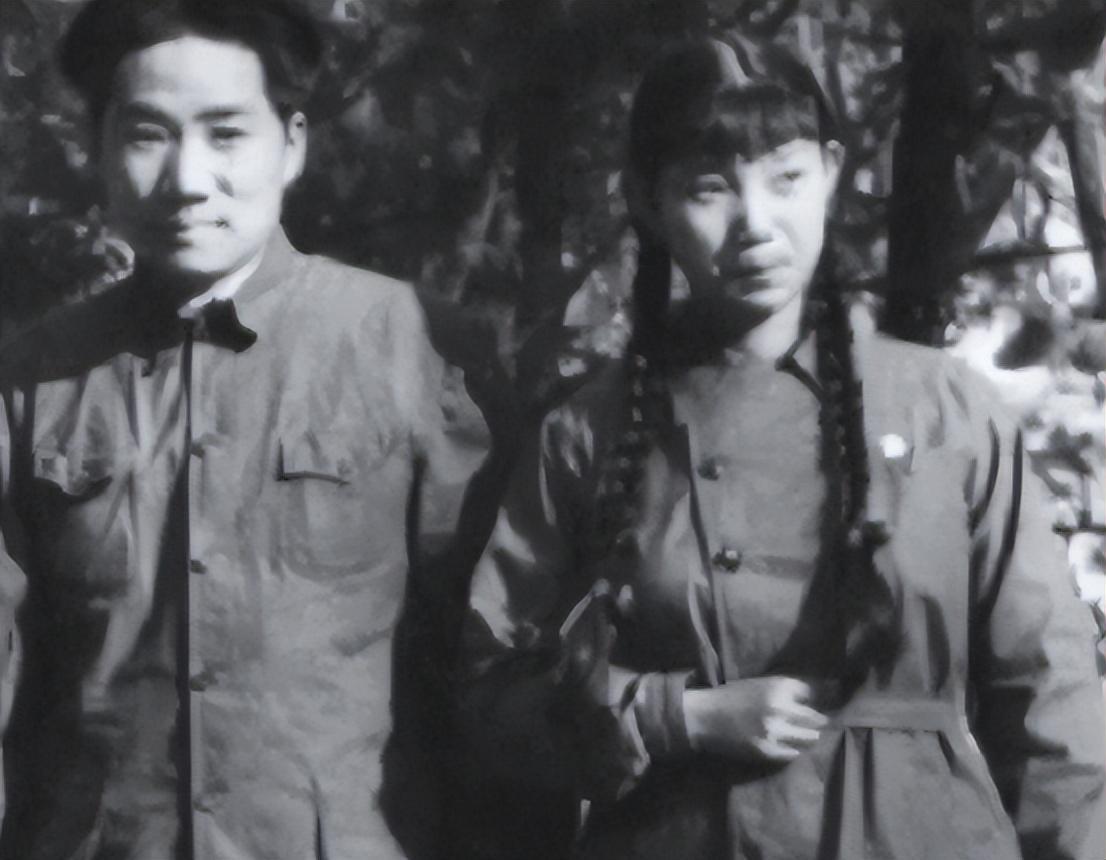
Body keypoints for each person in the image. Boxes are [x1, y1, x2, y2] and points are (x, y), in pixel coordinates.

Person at [458, 35, 1105, 860]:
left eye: (786, 179)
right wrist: (676, 715)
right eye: (710, 189)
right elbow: (489, 689)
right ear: (649, 204)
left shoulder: (947, 410)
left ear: (831, 173)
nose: (756, 224)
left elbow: (1051, 696)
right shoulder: (588, 432)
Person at [0, 0, 487, 857]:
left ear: (291, 146)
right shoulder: (30, 380)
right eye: (147, 135)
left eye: (226, 134)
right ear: (98, 150)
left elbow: (489, 673)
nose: (187, 178)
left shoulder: (419, 350)